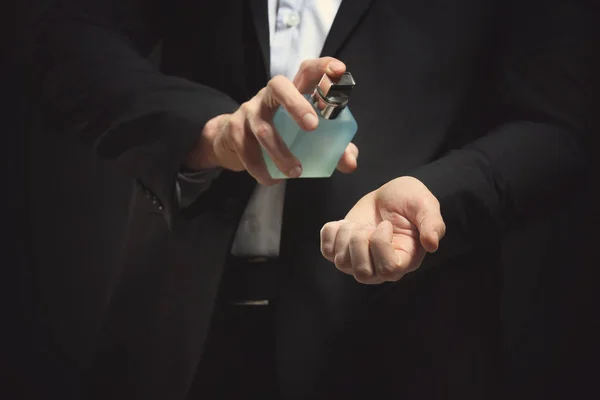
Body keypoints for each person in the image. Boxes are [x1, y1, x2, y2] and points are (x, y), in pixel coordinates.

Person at [27, 0, 595, 399]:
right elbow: (67, 37)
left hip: (400, 348)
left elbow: (553, 128)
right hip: (174, 340)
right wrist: (210, 132)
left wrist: (437, 193)